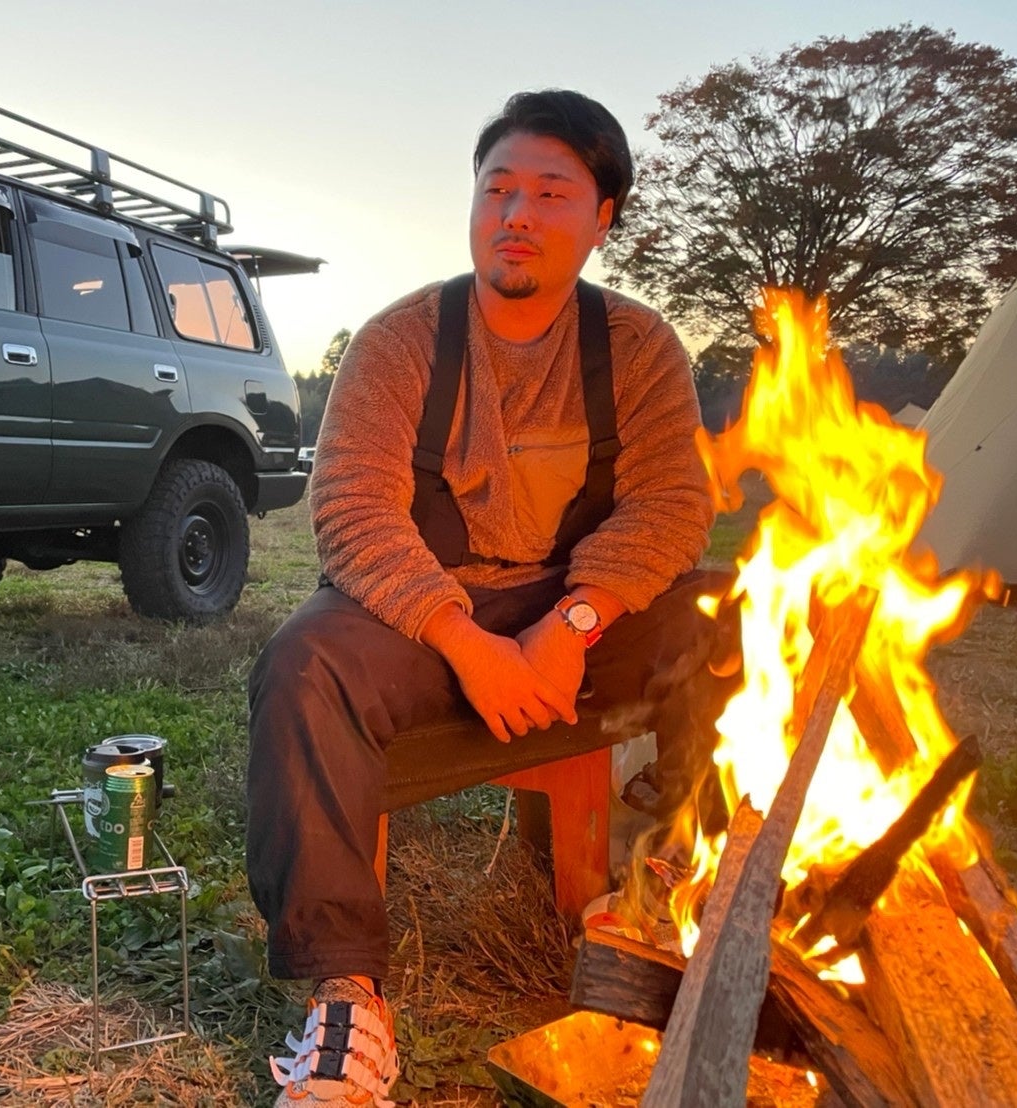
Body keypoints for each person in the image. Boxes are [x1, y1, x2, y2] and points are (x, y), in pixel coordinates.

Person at [247, 89, 731, 1108]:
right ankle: (346, 998)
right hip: (426, 621)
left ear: (602, 218)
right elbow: (352, 509)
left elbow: (671, 504)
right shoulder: (400, 341)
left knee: (734, 616)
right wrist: (470, 645)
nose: (515, 213)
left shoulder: (637, 346)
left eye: (550, 193)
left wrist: (573, 624)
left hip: (576, 620)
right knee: (303, 664)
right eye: (496, 188)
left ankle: (687, 887)